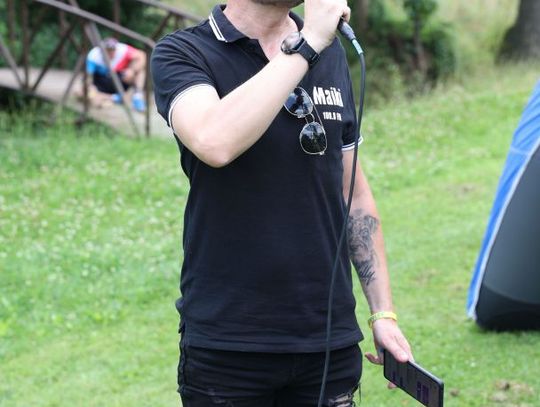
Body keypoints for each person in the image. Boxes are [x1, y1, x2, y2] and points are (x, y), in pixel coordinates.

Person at [151, 0, 413, 405]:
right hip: (230, 345)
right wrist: (307, 44)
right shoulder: (184, 52)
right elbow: (213, 141)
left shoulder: (329, 53)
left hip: (328, 341)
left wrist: (384, 313)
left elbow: (354, 195)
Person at [85, 37, 146, 112]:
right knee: (84, 92)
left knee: (140, 71)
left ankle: (137, 96)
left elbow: (142, 56)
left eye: (112, 50)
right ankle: (115, 98)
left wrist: (132, 70)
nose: (111, 53)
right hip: (100, 81)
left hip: (119, 77)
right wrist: (90, 87)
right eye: (108, 50)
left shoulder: (123, 49)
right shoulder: (94, 56)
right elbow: (88, 77)